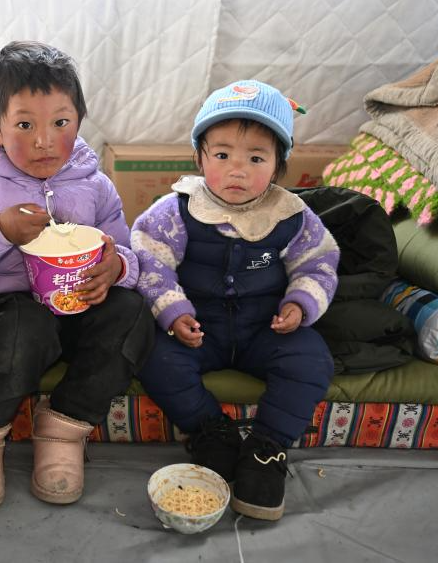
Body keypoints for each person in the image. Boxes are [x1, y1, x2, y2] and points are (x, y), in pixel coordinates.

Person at [0, 41, 154, 511]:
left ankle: (64, 427)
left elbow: (124, 249)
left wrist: (117, 267)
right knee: (22, 325)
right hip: (5, 311)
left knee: (132, 313)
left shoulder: (95, 183)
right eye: (25, 125)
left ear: (79, 121)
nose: (44, 140)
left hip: (79, 308)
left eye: (60, 123)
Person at [131, 80, 338, 521]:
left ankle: (266, 449)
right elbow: (150, 260)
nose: (238, 171)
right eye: (222, 156)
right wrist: (173, 313)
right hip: (196, 329)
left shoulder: (292, 216)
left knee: (312, 360)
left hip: (265, 327)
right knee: (153, 356)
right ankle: (212, 432)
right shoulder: (176, 210)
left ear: (279, 165)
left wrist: (299, 305)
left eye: (256, 159)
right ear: (200, 157)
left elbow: (319, 264)